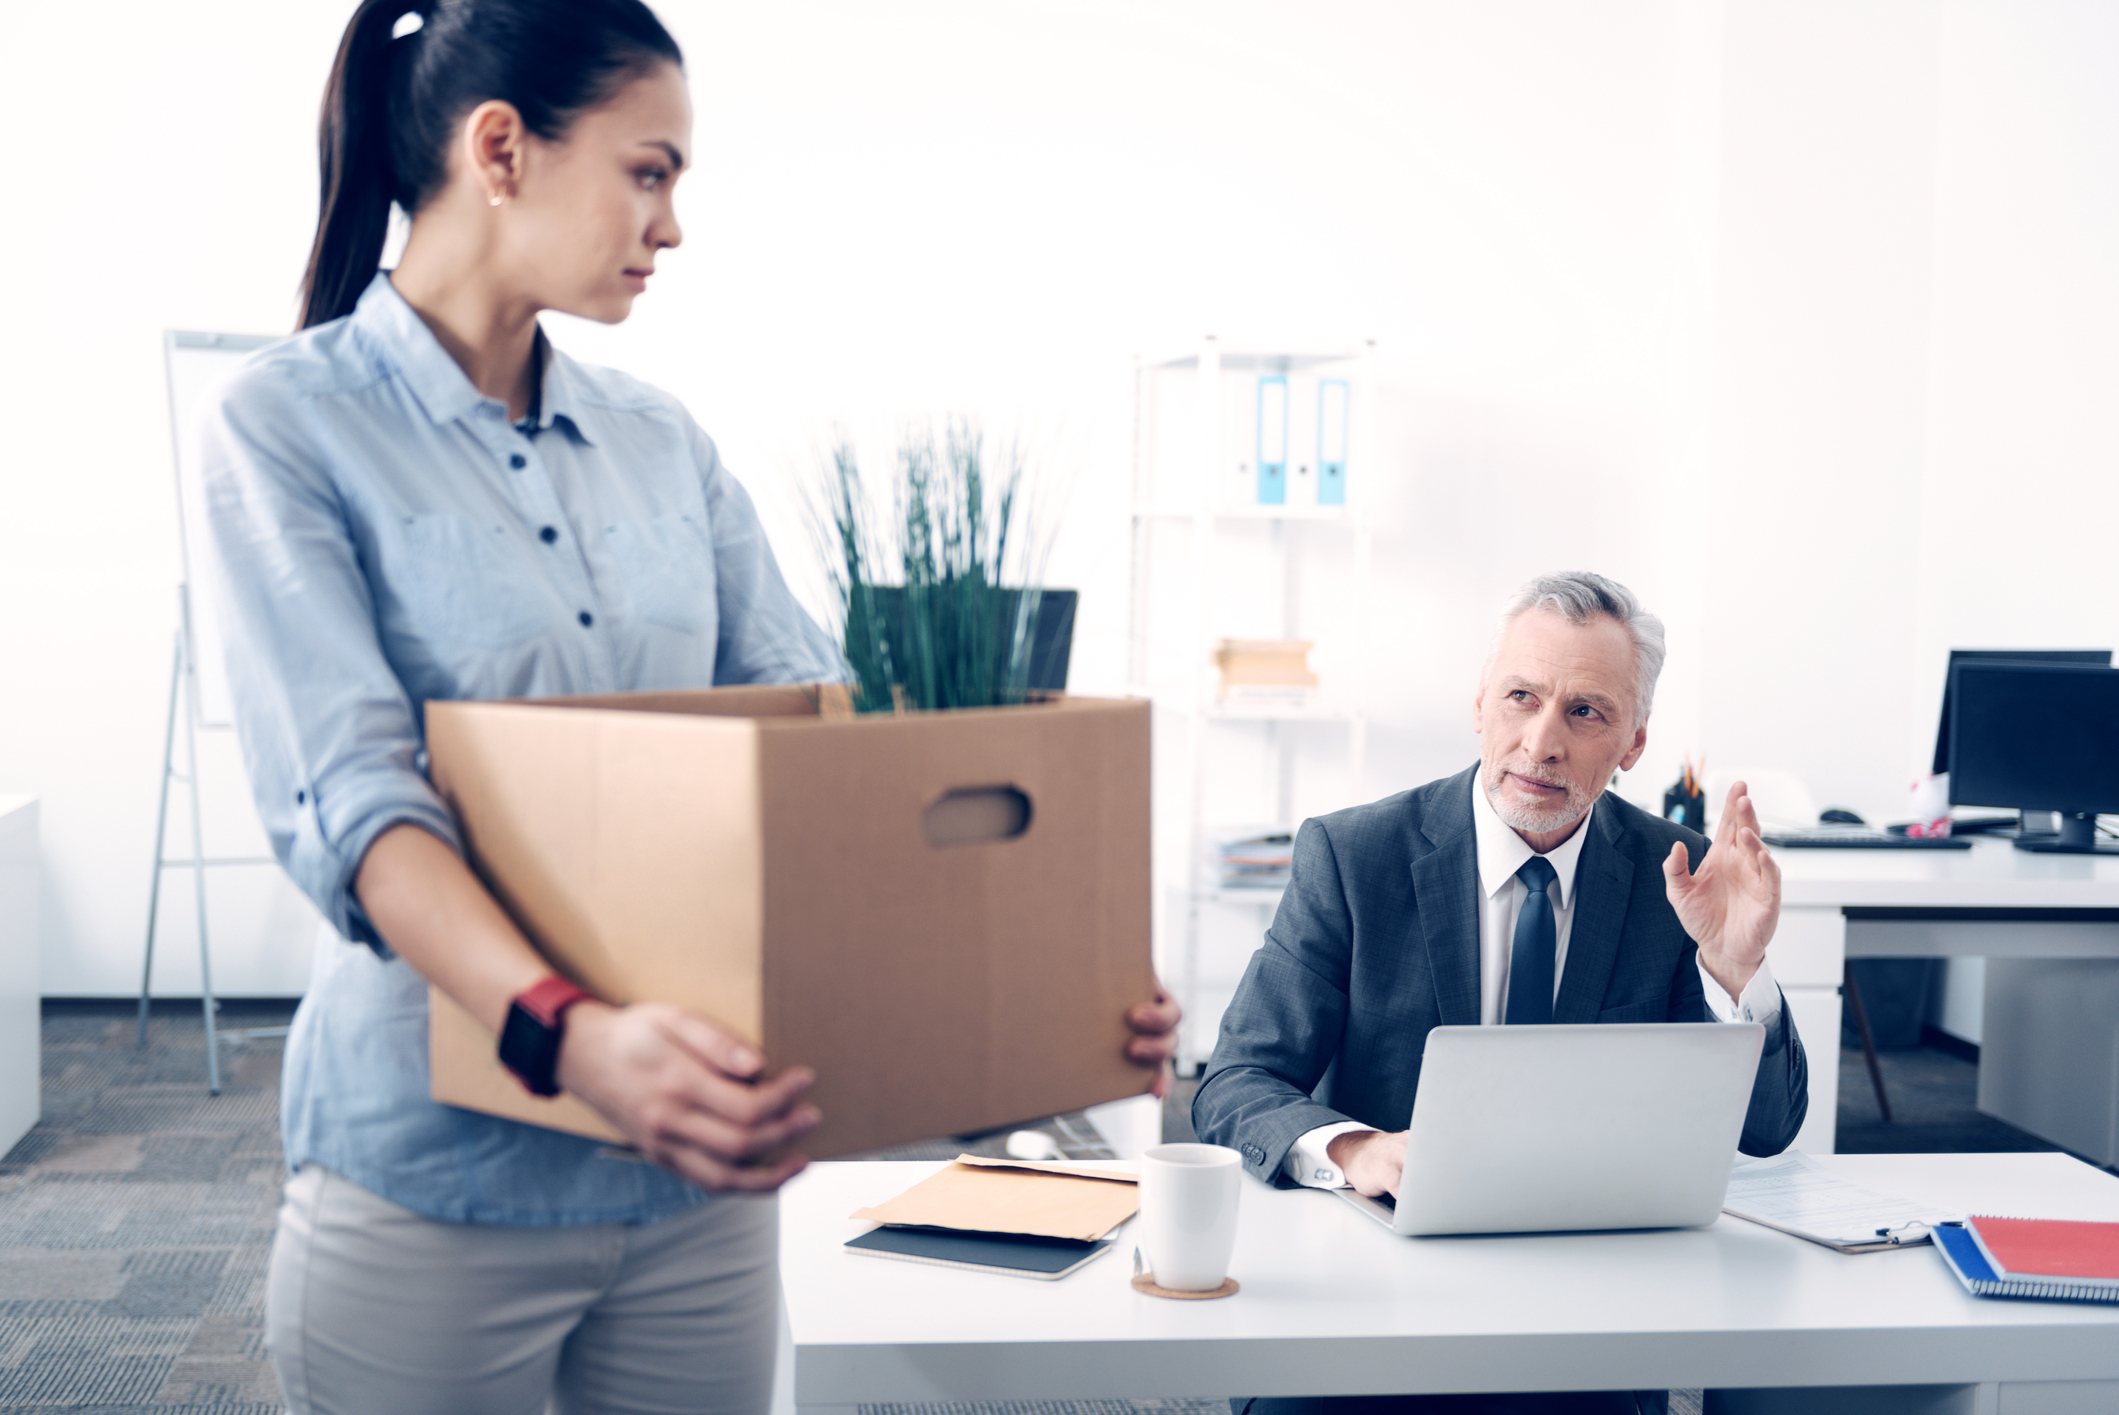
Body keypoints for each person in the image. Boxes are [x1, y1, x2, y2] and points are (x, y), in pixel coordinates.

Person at [201, 3, 1179, 1411]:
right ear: (501, 149)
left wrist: (1038, 1001)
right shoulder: (286, 425)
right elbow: (354, 806)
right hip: (436, 1175)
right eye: (648, 171)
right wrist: (575, 1037)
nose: (671, 225)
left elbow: (820, 759)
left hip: (700, 1180)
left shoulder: (661, 442)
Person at [1192, 570, 1807, 1415]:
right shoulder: (1352, 855)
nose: (1541, 742)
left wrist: (1735, 970)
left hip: (1587, 1313)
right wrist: (1353, 1148)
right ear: (1479, 702)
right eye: (1521, 697)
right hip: (1369, 1303)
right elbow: (1234, 1085)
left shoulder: (1678, 877)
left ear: (1632, 740)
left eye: (1585, 712)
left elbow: (1769, 1131)